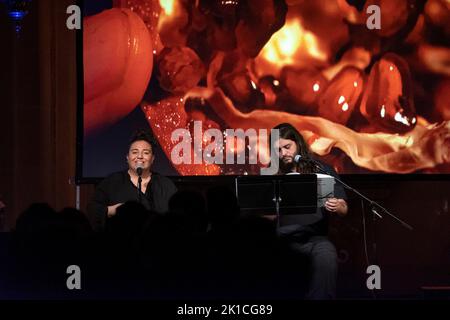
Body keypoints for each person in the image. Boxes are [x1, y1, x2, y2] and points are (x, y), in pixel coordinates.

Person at [271, 123, 348, 300]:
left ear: (297, 144)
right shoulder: (273, 175)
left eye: (287, 147)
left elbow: (344, 208)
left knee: (327, 254)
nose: (283, 154)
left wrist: (338, 205)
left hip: (314, 238)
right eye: (278, 150)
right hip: (282, 239)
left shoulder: (320, 169)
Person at [88, 130, 177, 231]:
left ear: (152, 159)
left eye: (146, 153)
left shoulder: (165, 185)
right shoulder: (112, 182)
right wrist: (110, 210)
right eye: (135, 152)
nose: (139, 156)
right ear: (127, 157)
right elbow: (92, 210)